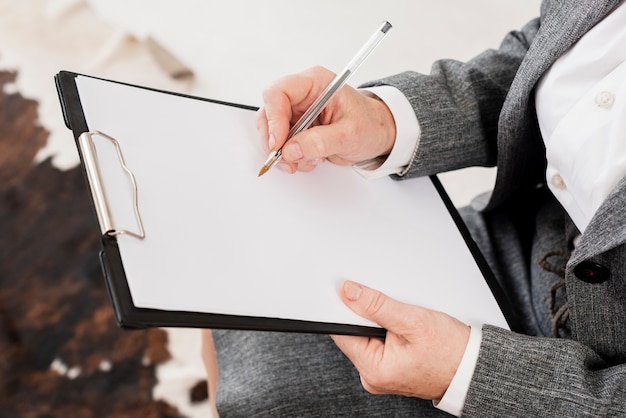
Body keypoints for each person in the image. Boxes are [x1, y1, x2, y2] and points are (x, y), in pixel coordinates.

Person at [203, 0, 626, 415]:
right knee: (231, 303)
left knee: (262, 392)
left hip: (580, 388)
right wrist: (383, 119)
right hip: (528, 241)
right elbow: (546, 50)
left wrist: (470, 375)